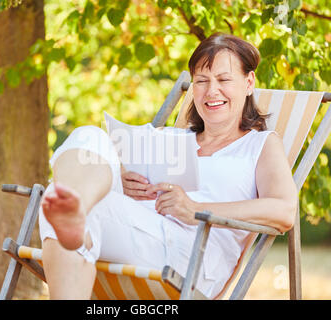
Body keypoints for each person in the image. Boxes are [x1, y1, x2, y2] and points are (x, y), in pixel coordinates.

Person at [39, 32, 298, 300]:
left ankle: (73, 212)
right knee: (88, 137)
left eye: (223, 80)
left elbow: (284, 209)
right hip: (142, 234)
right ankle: (75, 210)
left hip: (193, 257)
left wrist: (195, 210)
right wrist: (120, 178)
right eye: (201, 81)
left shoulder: (260, 144)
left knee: (56, 200)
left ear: (249, 82)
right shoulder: (170, 137)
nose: (212, 91)